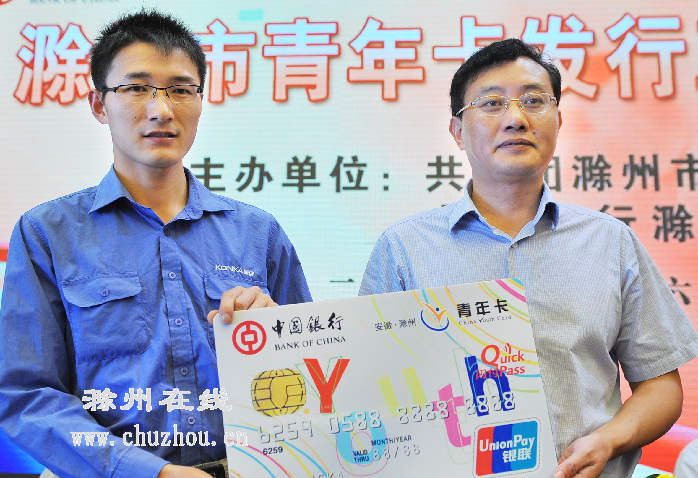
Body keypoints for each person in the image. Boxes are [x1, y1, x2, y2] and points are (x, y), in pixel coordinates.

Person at [359, 38, 698, 478]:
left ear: (558, 120)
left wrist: (610, 439)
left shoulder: (610, 242)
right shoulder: (404, 248)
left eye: (534, 101)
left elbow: (660, 385)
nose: (516, 118)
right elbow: (366, 386)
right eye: (492, 103)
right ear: (458, 131)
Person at [0, 10, 311, 478]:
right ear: (99, 104)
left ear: (200, 101)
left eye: (180, 90)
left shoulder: (257, 232)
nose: (161, 109)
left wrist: (280, 340)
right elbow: (26, 395)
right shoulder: (47, 233)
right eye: (136, 88)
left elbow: (314, 374)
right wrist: (147, 472)